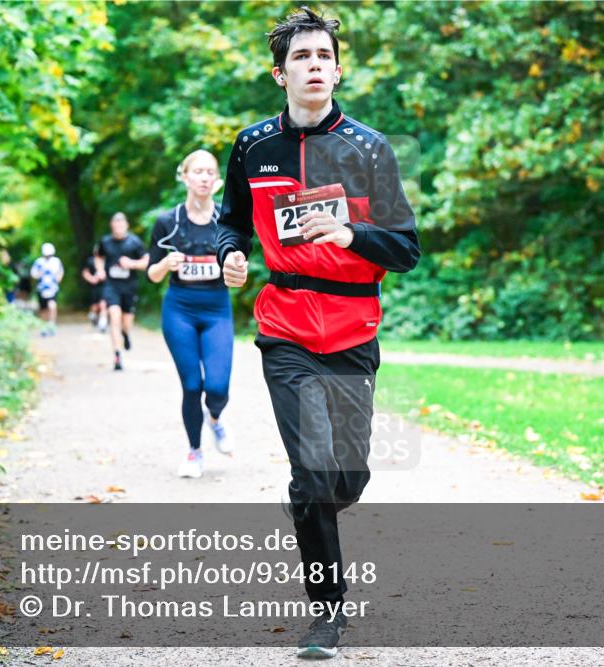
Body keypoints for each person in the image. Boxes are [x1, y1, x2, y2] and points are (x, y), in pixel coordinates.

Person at [216, 6, 420, 659]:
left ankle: (314, 500)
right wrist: (231, 252)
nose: (313, 67)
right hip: (286, 327)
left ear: (337, 68)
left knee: (345, 479)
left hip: (355, 325)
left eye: (323, 57)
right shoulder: (252, 146)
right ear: (280, 72)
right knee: (311, 478)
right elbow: (233, 219)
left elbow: (406, 248)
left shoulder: (369, 148)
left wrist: (351, 233)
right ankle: (327, 615)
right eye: (300, 57)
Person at [147, 150, 235, 479]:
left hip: (217, 310)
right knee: (191, 384)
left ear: (217, 181)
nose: (203, 177)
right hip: (179, 308)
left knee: (217, 387)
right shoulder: (167, 223)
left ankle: (215, 418)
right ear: (184, 176)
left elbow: (239, 265)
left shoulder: (226, 221)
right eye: (196, 171)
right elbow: (151, 274)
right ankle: (194, 451)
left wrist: (234, 265)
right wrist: (164, 264)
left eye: (209, 172)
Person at [95, 212, 149, 371]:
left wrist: (132, 263)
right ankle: (117, 355)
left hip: (129, 287)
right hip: (111, 286)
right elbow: (98, 256)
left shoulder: (134, 242)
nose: (118, 227)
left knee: (126, 323)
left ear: (126, 225)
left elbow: (146, 262)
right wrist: (100, 271)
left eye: (121, 224)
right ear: (112, 226)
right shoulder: (105, 242)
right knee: (114, 317)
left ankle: (125, 334)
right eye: (115, 224)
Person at [30, 242, 64, 337]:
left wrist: (58, 280)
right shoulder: (39, 262)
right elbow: (33, 274)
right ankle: (44, 326)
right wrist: (39, 275)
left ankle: (52, 324)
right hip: (42, 289)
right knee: (43, 309)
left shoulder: (56, 261)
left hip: (53, 288)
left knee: (52, 305)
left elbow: (60, 272)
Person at [81, 245, 107, 332]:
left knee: (103, 304)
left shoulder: (107, 260)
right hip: (94, 287)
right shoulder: (90, 261)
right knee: (95, 306)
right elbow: (85, 272)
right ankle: (93, 316)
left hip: (105, 286)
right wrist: (91, 279)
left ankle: (102, 324)